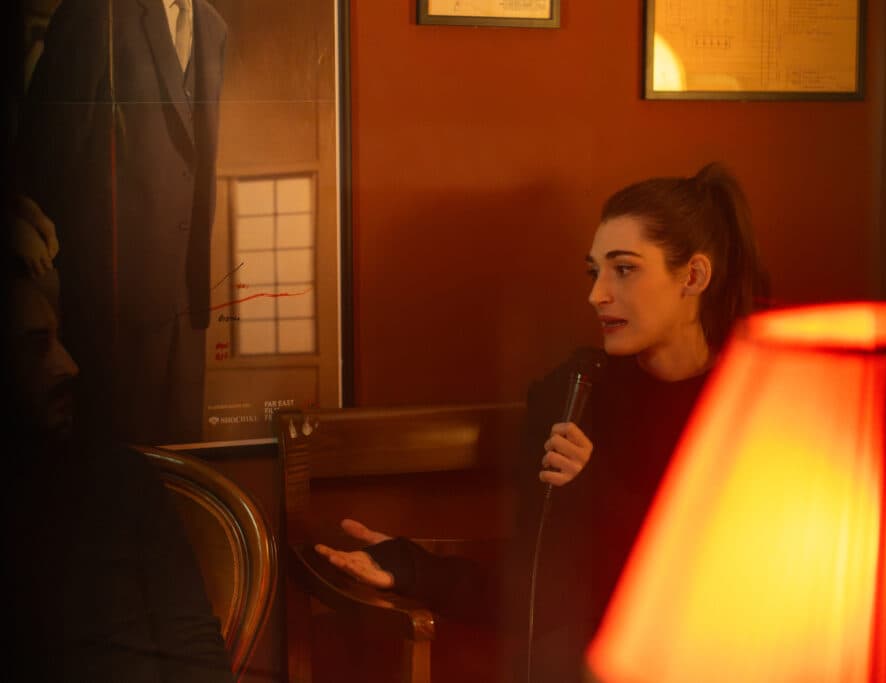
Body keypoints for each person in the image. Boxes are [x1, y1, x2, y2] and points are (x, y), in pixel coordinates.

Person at [313, 162, 767, 681]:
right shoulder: (575, 396)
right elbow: (539, 593)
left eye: (624, 269)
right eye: (594, 272)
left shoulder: (764, 398)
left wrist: (595, 487)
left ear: (693, 276)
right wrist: (415, 570)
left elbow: (740, 578)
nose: (597, 294)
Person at [3, 264, 233, 682]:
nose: (69, 366)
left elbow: (194, 649)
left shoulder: (121, 480)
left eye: (58, 339)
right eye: (37, 346)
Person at [15, 0, 227, 444]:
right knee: (114, 463)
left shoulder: (213, 26)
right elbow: (45, 154)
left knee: (185, 460)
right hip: (112, 307)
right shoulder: (97, 12)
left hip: (187, 305)